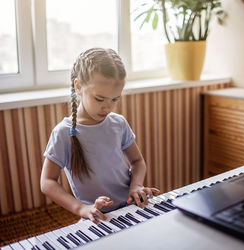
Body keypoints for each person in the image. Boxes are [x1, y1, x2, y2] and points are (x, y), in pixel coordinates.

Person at [40, 48, 160, 224]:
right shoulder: (63, 133)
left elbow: (138, 162)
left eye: (114, 99)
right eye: (99, 99)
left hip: (131, 208)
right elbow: (47, 182)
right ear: (78, 87)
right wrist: (81, 208)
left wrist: (136, 186)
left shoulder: (118, 123)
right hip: (97, 218)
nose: (107, 108)